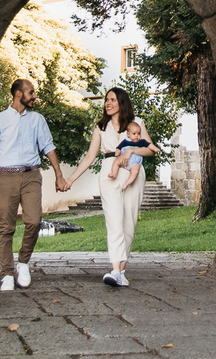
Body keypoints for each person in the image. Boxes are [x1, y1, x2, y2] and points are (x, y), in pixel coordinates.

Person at [61, 86, 156, 287]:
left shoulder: (136, 123)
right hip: (109, 172)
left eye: (112, 99)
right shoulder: (101, 127)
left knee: (129, 223)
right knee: (114, 221)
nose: (108, 103)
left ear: (122, 102)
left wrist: (131, 151)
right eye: (106, 100)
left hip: (132, 172)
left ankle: (121, 272)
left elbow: (150, 149)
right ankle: (114, 270)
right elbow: (90, 156)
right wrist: (71, 179)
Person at [0, 78, 66, 291]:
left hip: (31, 176)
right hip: (5, 177)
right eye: (31, 92)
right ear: (19, 93)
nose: (34, 96)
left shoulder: (37, 119)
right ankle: (7, 273)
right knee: (6, 227)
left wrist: (59, 175)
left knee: (34, 221)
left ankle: (24, 263)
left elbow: (48, 146)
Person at [110, 120, 151, 191]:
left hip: (134, 161)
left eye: (138, 134)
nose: (136, 136)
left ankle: (127, 183)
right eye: (134, 134)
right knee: (116, 162)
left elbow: (149, 147)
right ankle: (114, 173)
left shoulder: (141, 141)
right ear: (128, 134)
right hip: (123, 159)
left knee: (135, 171)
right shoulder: (126, 141)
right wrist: (117, 151)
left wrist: (154, 148)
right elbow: (119, 147)